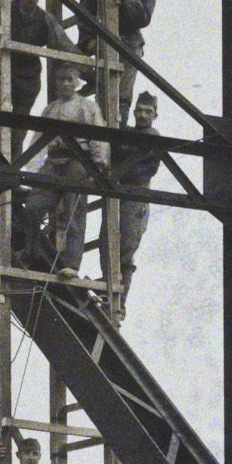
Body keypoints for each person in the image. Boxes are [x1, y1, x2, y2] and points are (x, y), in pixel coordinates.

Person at [22, 64, 108, 277]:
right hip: (54, 162)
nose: (65, 84)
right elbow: (38, 141)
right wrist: (32, 168)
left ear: (77, 83)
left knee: (74, 212)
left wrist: (98, 164)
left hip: (77, 162)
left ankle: (71, 264)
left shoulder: (87, 108)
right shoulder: (50, 109)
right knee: (33, 207)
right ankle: (31, 252)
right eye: (61, 80)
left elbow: (98, 137)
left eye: (69, 79)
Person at [105, 92, 162, 308]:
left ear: (155, 115)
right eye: (139, 110)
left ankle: (121, 301)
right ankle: (110, 287)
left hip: (136, 197)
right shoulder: (128, 133)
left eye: (148, 111)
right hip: (119, 193)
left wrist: (119, 170)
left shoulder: (153, 137)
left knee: (127, 247)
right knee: (109, 242)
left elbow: (144, 172)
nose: (143, 114)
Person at [114, 0, 158, 123]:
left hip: (131, 45)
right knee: (105, 93)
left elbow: (144, 19)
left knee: (123, 97)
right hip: (109, 39)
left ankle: (119, 138)